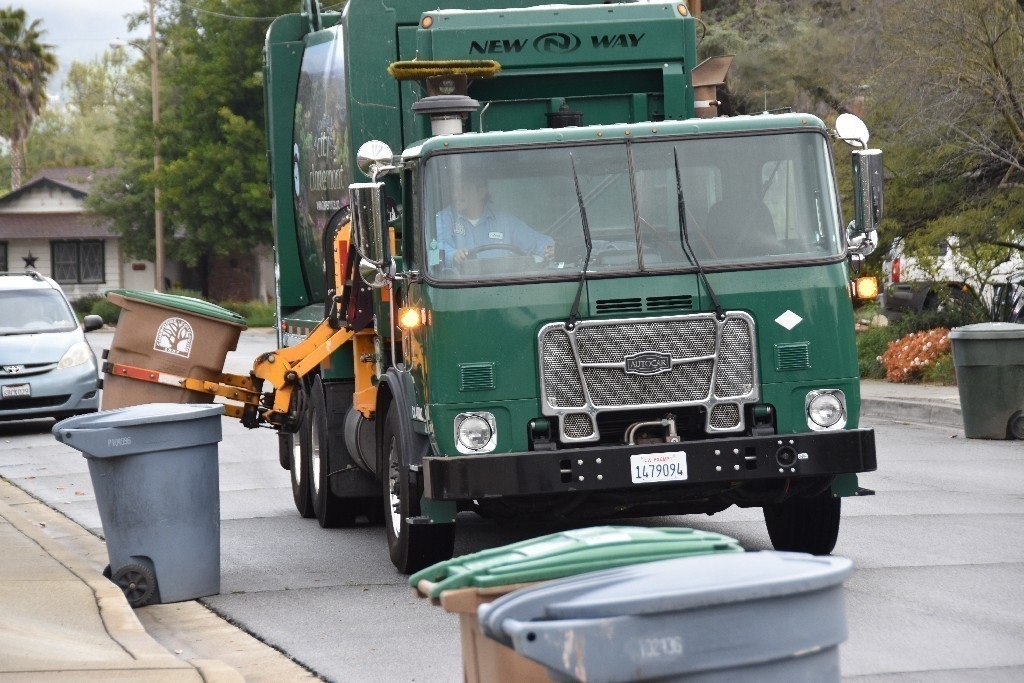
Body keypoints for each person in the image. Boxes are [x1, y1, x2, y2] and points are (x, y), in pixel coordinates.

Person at [435, 176, 554, 265]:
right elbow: (436, 248)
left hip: (501, 287)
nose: (457, 194)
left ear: (481, 193)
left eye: (465, 187)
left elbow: (537, 242)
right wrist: (454, 255)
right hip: (457, 289)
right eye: (455, 188)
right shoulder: (444, 219)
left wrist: (550, 249)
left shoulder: (505, 222)